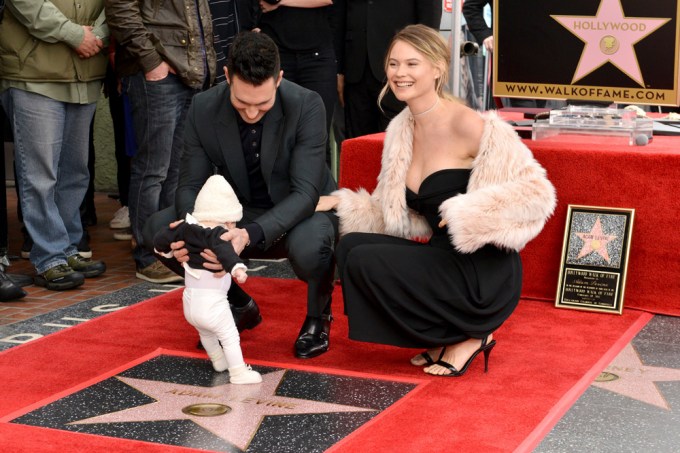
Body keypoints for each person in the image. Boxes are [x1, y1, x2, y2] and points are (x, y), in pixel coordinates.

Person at [316, 25, 556, 377]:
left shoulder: (467, 122)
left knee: (366, 257)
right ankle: (446, 334)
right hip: (440, 257)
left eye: (412, 64)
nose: (400, 73)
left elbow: (537, 193)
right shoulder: (401, 128)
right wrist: (342, 204)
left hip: (481, 269)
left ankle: (472, 335)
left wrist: (467, 212)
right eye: (394, 64)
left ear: (438, 69)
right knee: (351, 247)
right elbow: (394, 211)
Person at [144, 31, 339, 359]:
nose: (251, 113)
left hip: (303, 211)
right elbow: (190, 184)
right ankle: (239, 304)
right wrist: (197, 234)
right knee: (159, 230)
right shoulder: (204, 107)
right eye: (241, 102)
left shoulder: (307, 105)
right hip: (241, 209)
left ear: (279, 79)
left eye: (262, 103)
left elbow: (306, 192)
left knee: (311, 249)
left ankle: (318, 318)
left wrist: (246, 235)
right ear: (227, 77)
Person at [106, 0, 217, 284]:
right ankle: (147, 256)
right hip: (157, 75)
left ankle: (168, 252)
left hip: (187, 73)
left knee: (176, 172)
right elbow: (120, 11)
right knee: (152, 170)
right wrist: (152, 62)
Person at [0, 0, 108, 290]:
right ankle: (49, 257)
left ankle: (68, 249)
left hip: (85, 72)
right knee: (40, 175)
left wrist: (99, 35)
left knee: (75, 170)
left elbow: (118, 5)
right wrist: (75, 35)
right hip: (34, 74)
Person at [154, 175, 262, 384]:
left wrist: (163, 246)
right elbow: (226, 252)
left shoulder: (184, 228)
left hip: (190, 303)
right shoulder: (218, 234)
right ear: (230, 220)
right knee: (229, 335)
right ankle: (239, 373)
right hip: (213, 303)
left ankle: (218, 360)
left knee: (206, 333)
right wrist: (237, 268)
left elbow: (161, 239)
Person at [333, 0, 442, 139]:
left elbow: (430, 13)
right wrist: (339, 68)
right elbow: (339, 15)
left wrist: (422, 60)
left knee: (400, 142)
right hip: (356, 66)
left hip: (401, 67)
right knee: (359, 145)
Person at [257, 0, 344, 166]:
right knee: (276, 135)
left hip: (318, 56)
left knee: (318, 134)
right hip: (276, 51)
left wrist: (281, 2)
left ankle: (318, 190)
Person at [462, 0, 546, 109]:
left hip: (544, 55)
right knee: (526, 109)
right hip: (513, 54)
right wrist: (484, 34)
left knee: (542, 109)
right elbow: (471, 7)